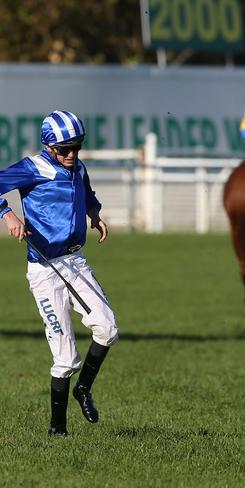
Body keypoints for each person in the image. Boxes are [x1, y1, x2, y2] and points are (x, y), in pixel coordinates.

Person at [0, 110, 119, 436]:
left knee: (107, 329)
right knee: (65, 357)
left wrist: (94, 214)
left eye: (77, 147)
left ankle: (83, 389)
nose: (71, 155)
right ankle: (58, 430)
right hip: (45, 271)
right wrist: (7, 214)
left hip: (75, 261)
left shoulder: (77, 167)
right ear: (49, 146)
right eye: (64, 149)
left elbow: (86, 192)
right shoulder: (33, 167)